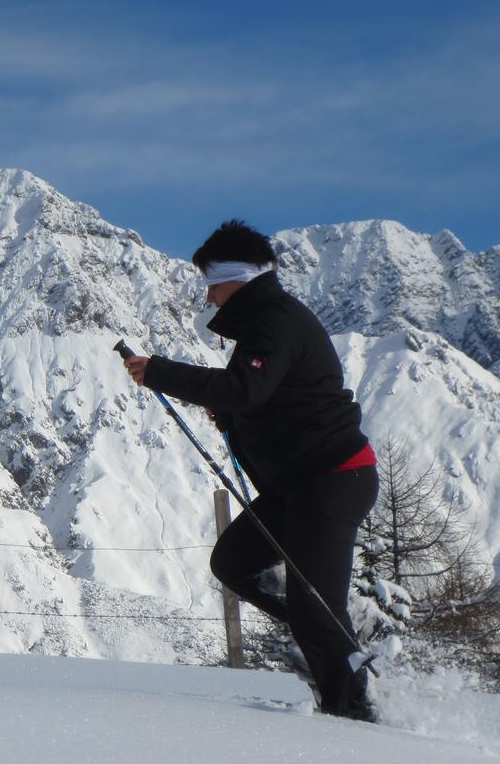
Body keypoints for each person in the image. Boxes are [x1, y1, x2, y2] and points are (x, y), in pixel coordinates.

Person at [123, 219, 379, 722]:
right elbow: (264, 398)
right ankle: (326, 635)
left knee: (314, 604)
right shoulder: (266, 322)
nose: (210, 299)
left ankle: (352, 714)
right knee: (233, 564)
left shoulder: (273, 322)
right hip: (300, 486)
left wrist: (159, 372)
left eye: (212, 286)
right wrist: (232, 415)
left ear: (237, 278)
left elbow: (246, 390)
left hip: (332, 480)